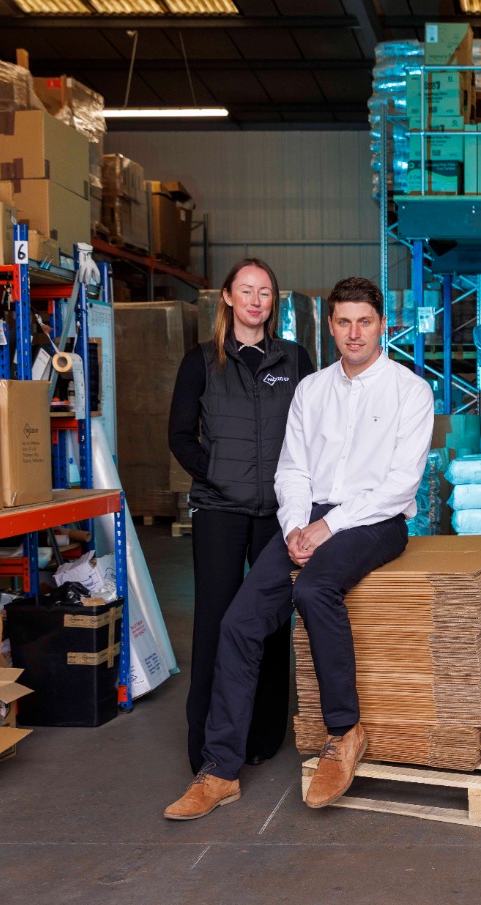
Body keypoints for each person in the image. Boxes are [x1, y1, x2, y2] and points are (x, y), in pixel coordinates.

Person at [164, 276, 435, 821]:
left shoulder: (410, 391)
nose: (354, 333)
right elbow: (292, 470)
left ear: (382, 325)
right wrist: (293, 526)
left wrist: (327, 527)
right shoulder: (312, 390)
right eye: (344, 322)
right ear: (330, 326)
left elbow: (399, 485)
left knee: (313, 590)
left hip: (375, 521)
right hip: (307, 519)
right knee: (238, 622)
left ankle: (344, 731)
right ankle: (220, 769)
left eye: (364, 322)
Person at [169, 258, 314, 775]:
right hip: (219, 511)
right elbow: (180, 436)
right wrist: (217, 475)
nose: (256, 300)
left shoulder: (295, 360)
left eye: (265, 292)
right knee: (215, 623)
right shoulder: (201, 360)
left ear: (273, 302)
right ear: (228, 297)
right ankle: (207, 745)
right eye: (246, 290)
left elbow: (314, 429)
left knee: (270, 622)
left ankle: (263, 734)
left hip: (279, 513)